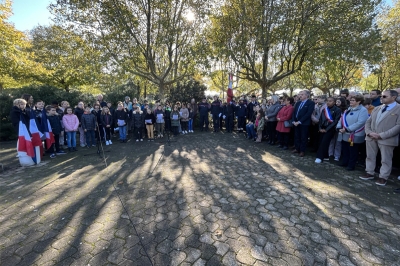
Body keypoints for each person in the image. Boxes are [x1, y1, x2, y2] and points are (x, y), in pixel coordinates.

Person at [360, 90, 400, 186]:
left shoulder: (398, 109)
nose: (381, 98)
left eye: (384, 96)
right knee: (370, 156)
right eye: (381, 96)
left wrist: (381, 135)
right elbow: (368, 122)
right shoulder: (377, 108)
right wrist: (369, 132)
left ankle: (383, 177)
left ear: (394, 97)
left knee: (386, 159)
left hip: (387, 139)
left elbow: (398, 126)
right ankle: (369, 172)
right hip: (371, 137)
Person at [336, 94, 369, 170]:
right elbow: (342, 119)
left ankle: (351, 165)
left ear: (359, 101)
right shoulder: (348, 109)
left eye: (353, 100)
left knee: (353, 150)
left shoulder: (363, 110)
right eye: (350, 100)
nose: (351, 101)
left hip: (355, 134)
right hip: (345, 133)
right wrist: (338, 127)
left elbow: (361, 122)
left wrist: (348, 129)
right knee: (345, 149)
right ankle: (345, 162)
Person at [314, 97, 341, 164]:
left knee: (324, 142)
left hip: (330, 129)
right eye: (327, 101)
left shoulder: (338, 110)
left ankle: (319, 157)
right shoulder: (324, 110)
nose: (328, 102)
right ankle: (326, 156)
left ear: (334, 102)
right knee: (321, 142)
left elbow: (335, 121)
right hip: (322, 128)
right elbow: (320, 120)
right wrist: (320, 128)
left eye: (330, 101)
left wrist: (327, 129)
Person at [292, 90, 315, 157]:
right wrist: (294, 121)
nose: (300, 95)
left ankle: (302, 151)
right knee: (296, 136)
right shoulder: (298, 103)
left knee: (303, 137)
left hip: (304, 123)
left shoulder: (311, 103)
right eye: (299, 94)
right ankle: (297, 148)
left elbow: (308, 114)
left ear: (306, 95)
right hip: (296, 123)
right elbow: (294, 112)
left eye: (302, 94)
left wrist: (299, 121)